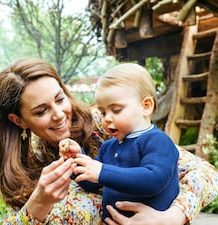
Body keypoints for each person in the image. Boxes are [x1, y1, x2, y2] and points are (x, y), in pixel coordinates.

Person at [0, 57, 218, 225]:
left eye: (60, 99)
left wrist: (172, 217)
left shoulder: (109, 123)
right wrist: (38, 202)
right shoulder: (23, 168)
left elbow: (204, 172)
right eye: (41, 111)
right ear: (19, 121)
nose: (58, 114)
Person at [58, 63, 179, 222]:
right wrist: (77, 159)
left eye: (116, 110)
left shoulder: (158, 141)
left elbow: (154, 180)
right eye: (102, 112)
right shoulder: (108, 147)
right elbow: (91, 183)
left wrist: (102, 172)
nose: (107, 118)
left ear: (146, 106)